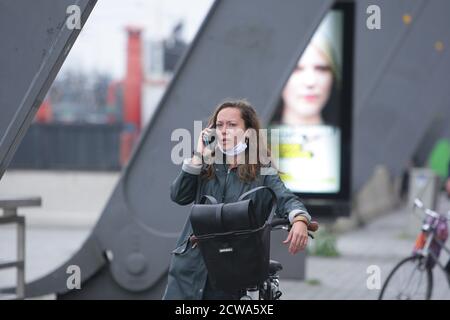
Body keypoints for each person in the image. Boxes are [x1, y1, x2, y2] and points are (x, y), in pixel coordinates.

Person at [163, 99, 312, 300]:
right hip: (191, 268)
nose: (224, 130)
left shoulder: (262, 169)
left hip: (232, 269)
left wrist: (300, 220)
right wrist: (199, 155)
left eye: (232, 125)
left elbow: (285, 198)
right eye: (219, 125)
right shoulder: (206, 163)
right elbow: (179, 196)